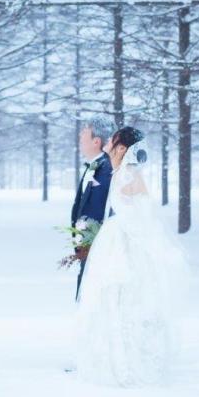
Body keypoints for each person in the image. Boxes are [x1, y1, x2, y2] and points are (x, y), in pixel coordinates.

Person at [73, 126, 189, 387]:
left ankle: (126, 360)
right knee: (110, 299)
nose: (107, 144)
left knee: (123, 299)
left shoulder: (128, 175)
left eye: (112, 140)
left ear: (122, 148)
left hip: (124, 241)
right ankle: (112, 356)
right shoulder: (119, 173)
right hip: (114, 238)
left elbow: (143, 211)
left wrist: (124, 230)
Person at [70, 115, 114, 300]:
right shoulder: (96, 166)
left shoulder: (107, 170)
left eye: (84, 134)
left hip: (100, 253)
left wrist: (91, 247)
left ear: (96, 141)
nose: (80, 137)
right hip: (88, 251)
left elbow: (104, 211)